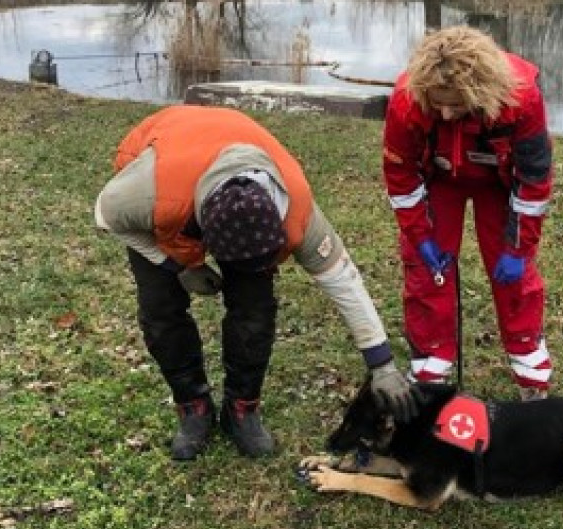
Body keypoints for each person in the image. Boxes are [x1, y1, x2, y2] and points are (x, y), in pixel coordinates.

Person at [95, 105, 418, 460]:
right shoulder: (145, 194)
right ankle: (193, 407)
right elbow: (106, 216)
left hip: (224, 170)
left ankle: (241, 410)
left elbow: (344, 283)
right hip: (166, 162)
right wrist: (175, 265)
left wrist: (382, 366)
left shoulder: (298, 212)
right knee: (160, 310)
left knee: (255, 308)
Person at [382, 26, 554, 400]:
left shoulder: (521, 100)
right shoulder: (406, 100)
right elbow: (401, 175)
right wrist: (420, 237)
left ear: (481, 94)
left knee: (513, 276)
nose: (445, 112)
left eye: (456, 105)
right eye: (437, 102)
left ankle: (531, 376)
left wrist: (518, 249)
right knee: (428, 271)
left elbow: (534, 182)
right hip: (441, 179)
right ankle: (430, 371)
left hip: (499, 183)